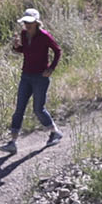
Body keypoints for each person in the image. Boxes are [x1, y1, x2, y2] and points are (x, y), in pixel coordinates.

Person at [8, 8, 63, 150]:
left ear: (37, 23)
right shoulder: (23, 34)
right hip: (25, 76)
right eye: (25, 22)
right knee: (19, 109)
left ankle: (55, 132)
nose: (27, 25)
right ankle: (13, 142)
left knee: (38, 109)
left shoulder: (44, 36)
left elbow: (57, 50)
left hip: (40, 77)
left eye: (30, 22)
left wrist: (51, 68)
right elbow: (25, 51)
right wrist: (16, 47)